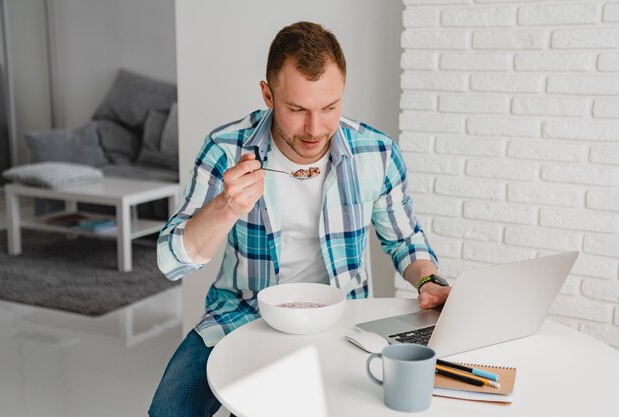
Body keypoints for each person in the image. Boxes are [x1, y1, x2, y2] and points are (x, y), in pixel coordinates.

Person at [149, 21, 451, 417]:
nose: (315, 130)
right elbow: (171, 262)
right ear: (267, 95)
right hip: (241, 312)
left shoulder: (375, 152)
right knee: (169, 411)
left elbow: (404, 240)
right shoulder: (225, 148)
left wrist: (430, 281)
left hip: (344, 320)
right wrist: (225, 206)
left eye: (329, 108)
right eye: (297, 109)